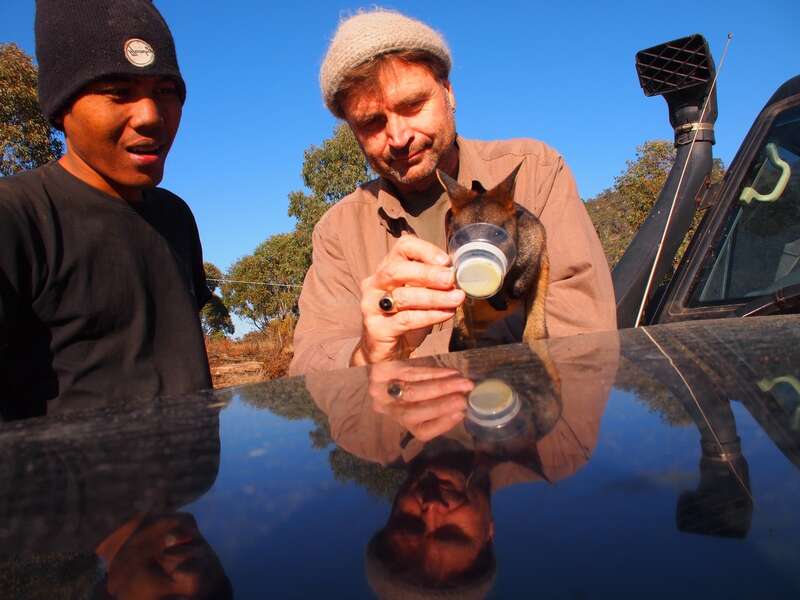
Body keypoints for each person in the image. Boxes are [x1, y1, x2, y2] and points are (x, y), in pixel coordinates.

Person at [290, 9, 616, 375]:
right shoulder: (339, 232)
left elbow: (584, 337)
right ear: (353, 131)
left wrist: (414, 364)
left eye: (413, 105)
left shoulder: (536, 172)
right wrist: (367, 353)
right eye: (372, 123)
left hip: (530, 427)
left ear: (448, 92)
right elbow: (309, 369)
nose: (399, 138)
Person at [0, 0, 211, 418]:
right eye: (119, 93)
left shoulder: (176, 217)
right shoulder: (17, 216)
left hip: (196, 482)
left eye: (166, 91)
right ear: (63, 108)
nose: (151, 116)